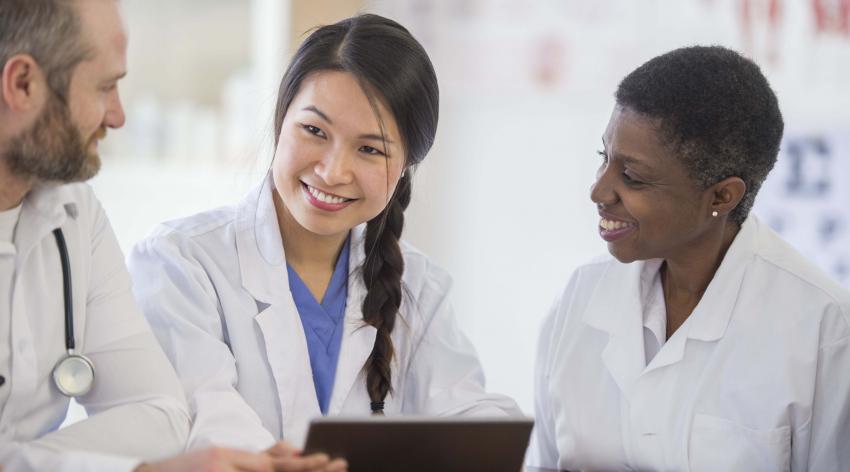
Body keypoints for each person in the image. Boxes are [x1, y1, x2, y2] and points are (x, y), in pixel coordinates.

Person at [128, 13, 521, 451]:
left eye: (370, 149)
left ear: (406, 166)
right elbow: (209, 425)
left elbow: (469, 417)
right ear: (281, 120)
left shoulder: (419, 288)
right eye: (315, 131)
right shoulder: (179, 263)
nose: (332, 171)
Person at [0, 1, 344, 471]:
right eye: (105, 87)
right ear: (22, 84)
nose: (118, 116)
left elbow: (158, 416)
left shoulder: (75, 216)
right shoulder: (174, 252)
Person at [525, 46, 850, 471]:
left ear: (721, 195)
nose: (599, 193)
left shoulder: (823, 328)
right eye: (604, 158)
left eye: (633, 177)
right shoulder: (581, 297)